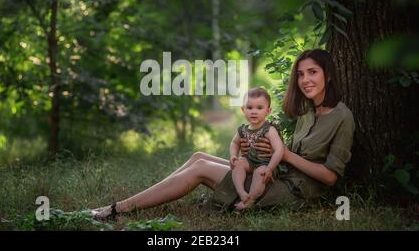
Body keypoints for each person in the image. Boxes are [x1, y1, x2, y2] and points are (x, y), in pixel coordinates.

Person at [92, 49, 354, 220]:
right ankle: (141, 199)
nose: (305, 79)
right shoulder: (308, 112)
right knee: (198, 156)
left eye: (312, 72)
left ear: (328, 75)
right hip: (276, 174)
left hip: (295, 192)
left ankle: (118, 209)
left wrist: (283, 154)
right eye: (300, 74)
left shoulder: (342, 117)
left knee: (201, 169)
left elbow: (330, 177)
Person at [230, 87, 284, 210]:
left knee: (261, 173)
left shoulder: (269, 130)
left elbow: (279, 150)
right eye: (249, 108)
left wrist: (270, 168)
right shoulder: (242, 129)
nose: (254, 112)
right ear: (243, 110)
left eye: (259, 108)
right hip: (248, 160)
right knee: (238, 163)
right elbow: (234, 143)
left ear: (268, 111)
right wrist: (233, 155)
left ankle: (251, 200)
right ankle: (242, 193)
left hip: (265, 163)